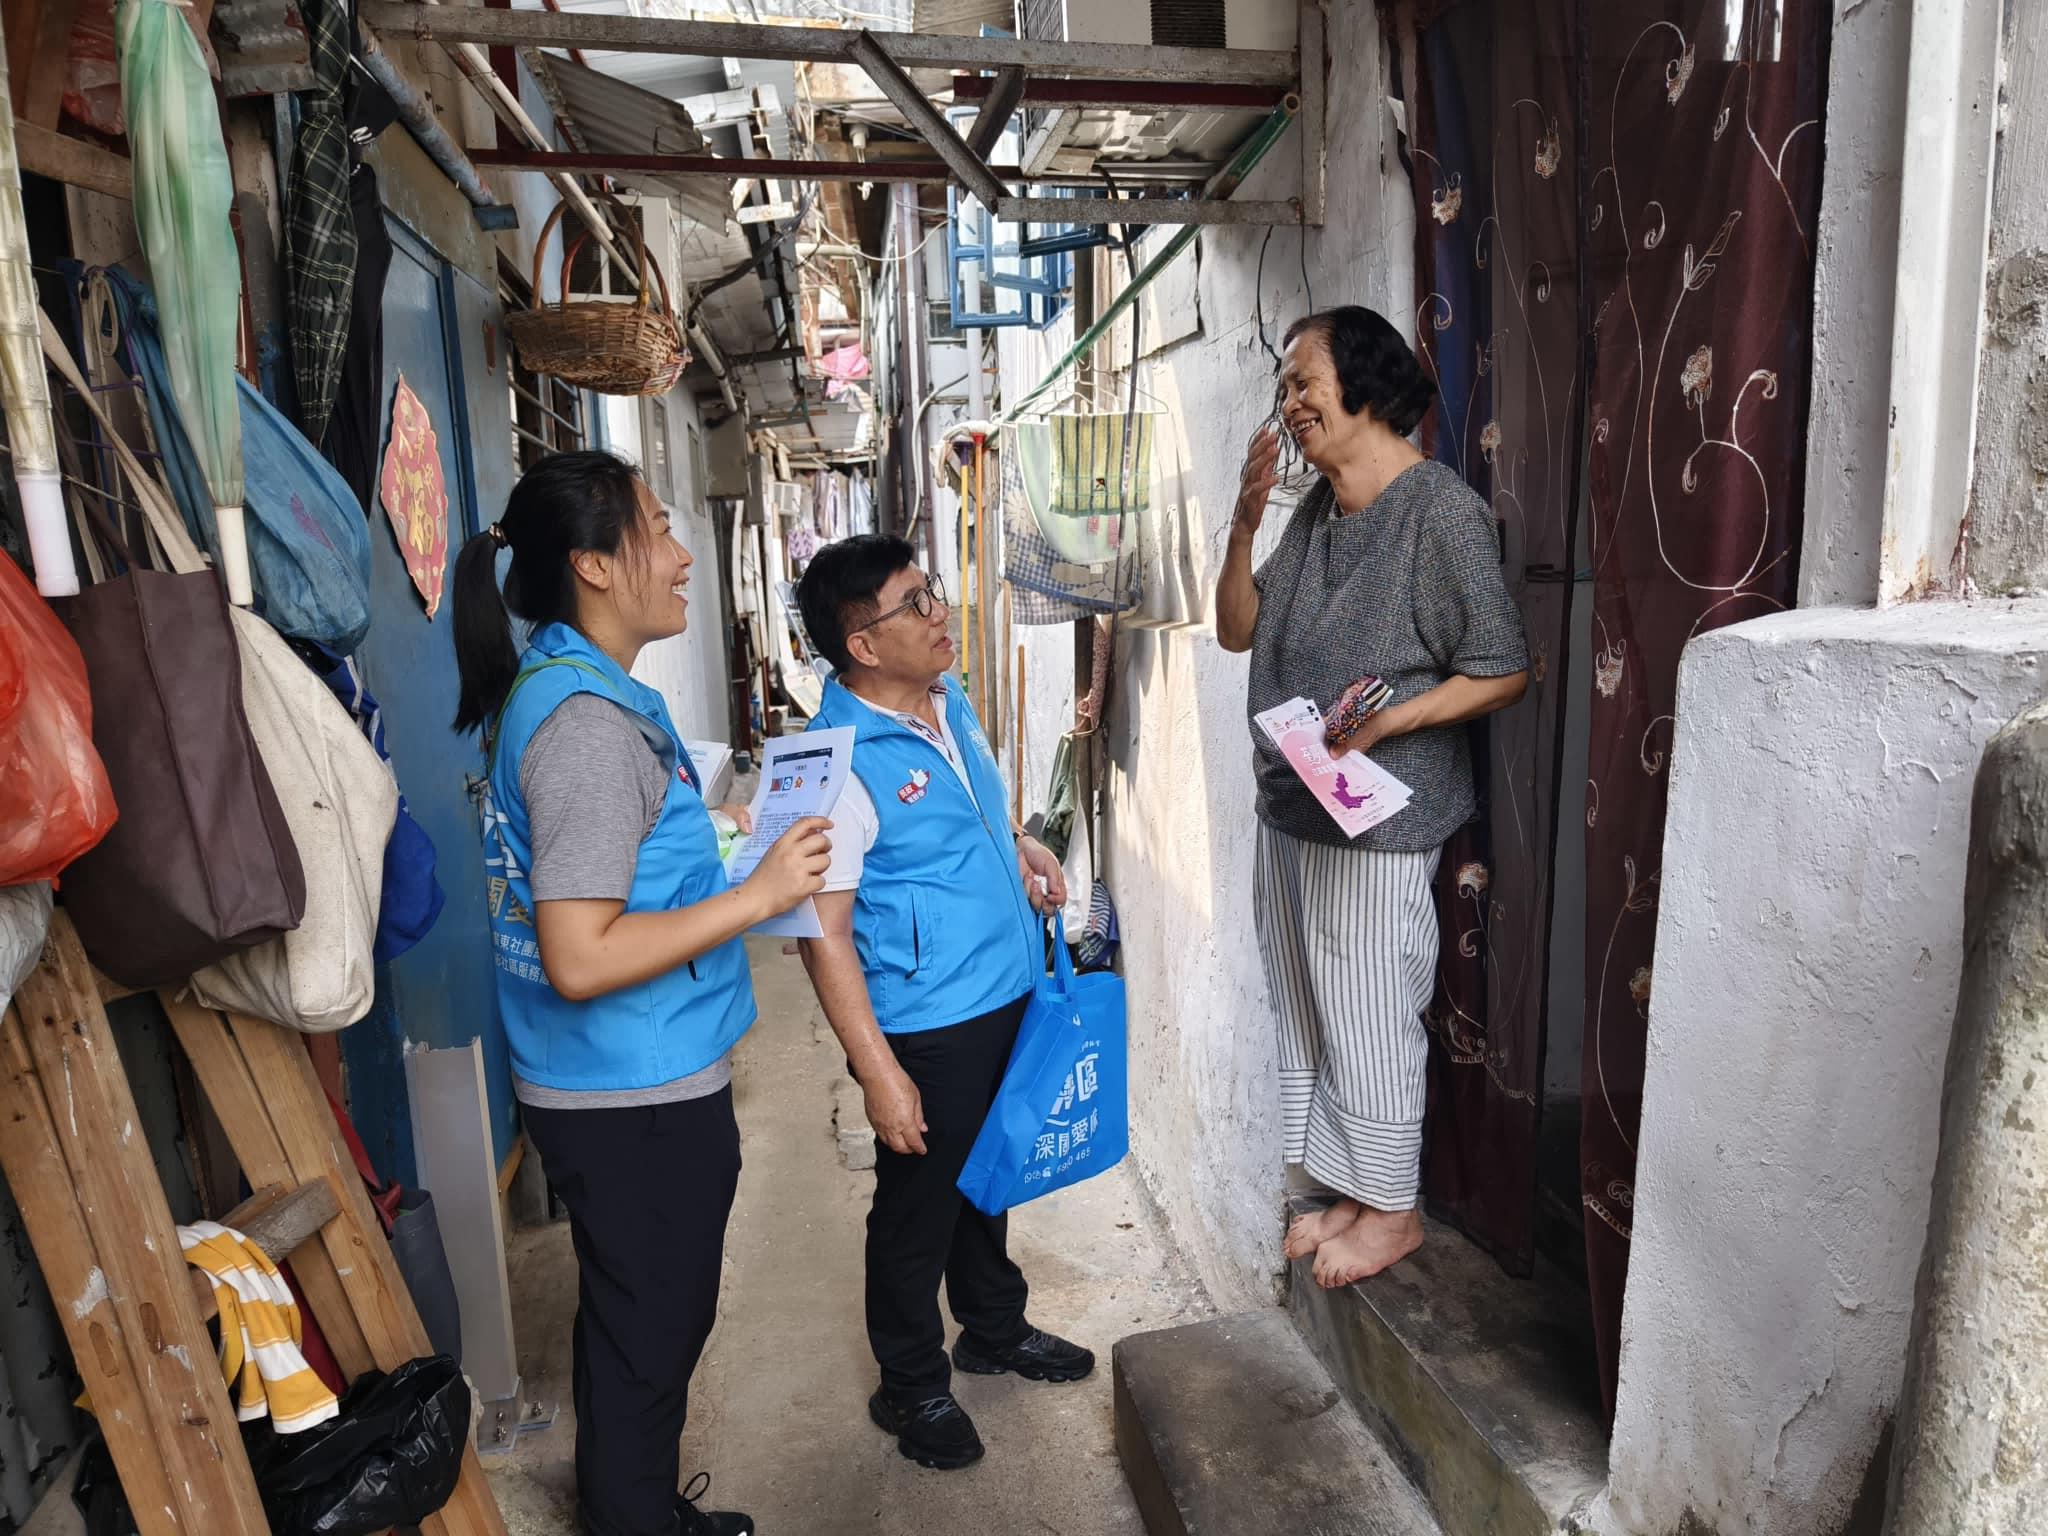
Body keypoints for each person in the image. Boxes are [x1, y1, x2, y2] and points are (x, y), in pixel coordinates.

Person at [451, 451, 831, 1536]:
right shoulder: (580, 727)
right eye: (657, 530)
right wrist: (755, 895)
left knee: (630, 1320)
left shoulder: (577, 694)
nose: (678, 555)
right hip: (631, 1092)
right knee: (655, 1326)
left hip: (616, 1081)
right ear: (592, 565)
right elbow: (579, 952)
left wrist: (718, 857)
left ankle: (639, 1505)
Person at [1216, 307, 1530, 1290]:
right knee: (1310, 1002)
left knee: (1369, 1002)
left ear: (1364, 383)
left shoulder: (1435, 512)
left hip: (1379, 813)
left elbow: (1501, 669)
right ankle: (1349, 1187)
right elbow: (1234, 630)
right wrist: (1241, 523)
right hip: (1294, 803)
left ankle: (1391, 1209)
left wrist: (1389, 722)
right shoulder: (1314, 513)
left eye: (1304, 380)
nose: (1291, 400)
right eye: (1284, 386)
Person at [793, 535, 1093, 1472]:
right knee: (917, 1208)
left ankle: (993, 1330)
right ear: (864, 645)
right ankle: (911, 1382)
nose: (941, 613)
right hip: (926, 1024)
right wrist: (879, 1073)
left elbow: (971, 809)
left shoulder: (946, 703)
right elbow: (820, 931)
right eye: (916, 603)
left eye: (934, 593)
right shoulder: (832, 763)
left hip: (1003, 991)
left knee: (987, 1182)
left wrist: (1022, 846)